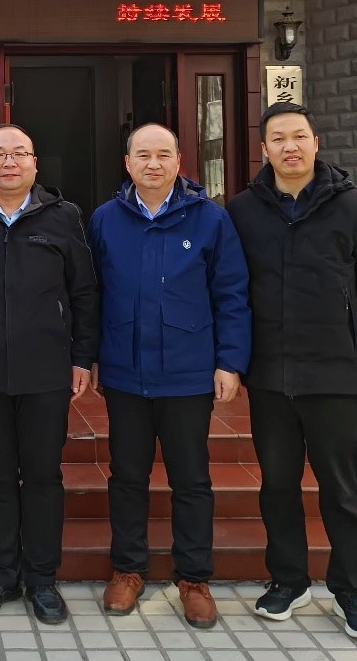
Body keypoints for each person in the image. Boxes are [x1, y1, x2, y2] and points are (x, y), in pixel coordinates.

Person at [227, 102, 357, 641]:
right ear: (263, 149)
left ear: (316, 142)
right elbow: (230, 291)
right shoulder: (243, 210)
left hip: (336, 372)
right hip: (269, 374)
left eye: (298, 136)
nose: (290, 147)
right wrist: (231, 361)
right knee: (277, 484)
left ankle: (352, 589)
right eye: (278, 139)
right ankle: (288, 579)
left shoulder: (353, 205)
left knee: (342, 489)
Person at [87, 123, 251, 629]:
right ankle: (128, 569)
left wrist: (230, 361)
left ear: (180, 161)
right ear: (128, 163)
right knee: (127, 475)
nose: (153, 163)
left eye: (163, 154)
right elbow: (89, 294)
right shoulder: (105, 220)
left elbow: (232, 293)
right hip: (125, 372)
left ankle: (194, 578)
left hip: (188, 373)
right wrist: (89, 355)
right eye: (143, 155)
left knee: (191, 479)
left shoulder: (210, 219)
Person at [0, 123, 100, 625]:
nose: (9, 162)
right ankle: (1, 575)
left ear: (34, 163)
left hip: (46, 371)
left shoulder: (63, 217)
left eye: (19, 153)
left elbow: (84, 292)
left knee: (43, 476)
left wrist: (82, 357)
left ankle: (42, 578)